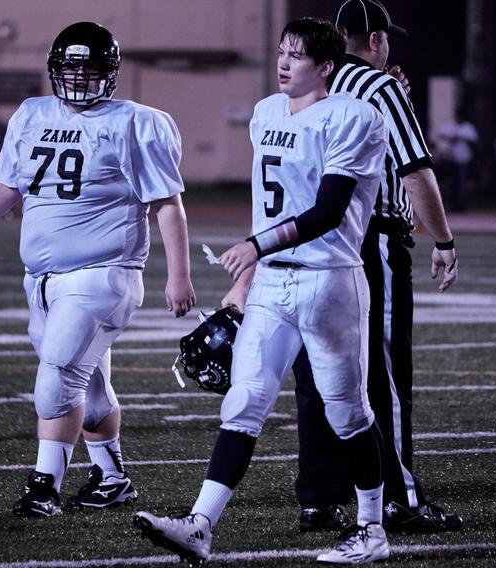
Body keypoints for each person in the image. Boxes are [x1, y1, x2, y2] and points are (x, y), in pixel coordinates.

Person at [135, 17, 391, 565]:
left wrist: (254, 245)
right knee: (244, 400)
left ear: (325, 67)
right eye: (280, 52)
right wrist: (248, 278)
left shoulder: (354, 117)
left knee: (347, 412)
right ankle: (200, 525)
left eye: (296, 57)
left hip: (330, 280)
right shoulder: (265, 113)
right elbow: (266, 201)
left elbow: (327, 210)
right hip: (274, 280)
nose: (282, 63)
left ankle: (372, 528)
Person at [0, 21, 196, 517]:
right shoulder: (32, 114)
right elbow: (7, 185)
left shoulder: (136, 122)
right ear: (55, 70)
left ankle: (44, 487)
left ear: (111, 72)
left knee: (56, 377)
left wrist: (178, 275)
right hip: (42, 281)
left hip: (103, 274)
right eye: (72, 67)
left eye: (91, 68)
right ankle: (111, 476)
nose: (80, 78)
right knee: (91, 391)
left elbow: (167, 204)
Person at [285, 0, 462, 534]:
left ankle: (318, 496)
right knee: (382, 372)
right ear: (378, 40)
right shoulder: (380, 88)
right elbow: (415, 173)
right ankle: (399, 496)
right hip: (370, 243)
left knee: (319, 374)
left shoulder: (308, 87)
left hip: (312, 243)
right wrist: (445, 239)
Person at [436, 107, 479, 211]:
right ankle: (450, 204)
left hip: (463, 159)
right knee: (450, 183)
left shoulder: (468, 127)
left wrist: (462, 139)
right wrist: (451, 138)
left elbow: (474, 141)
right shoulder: (451, 126)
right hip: (450, 159)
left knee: (461, 183)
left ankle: (460, 205)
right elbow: (441, 135)